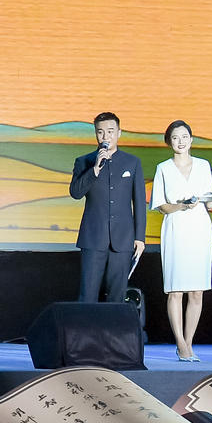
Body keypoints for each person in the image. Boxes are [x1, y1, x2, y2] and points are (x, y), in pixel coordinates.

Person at [150, 119, 212, 361]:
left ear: (191, 139)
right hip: (176, 228)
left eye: (184, 137)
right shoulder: (163, 168)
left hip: (200, 229)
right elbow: (161, 205)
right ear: (169, 141)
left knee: (197, 291)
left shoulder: (203, 165)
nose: (180, 141)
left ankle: (189, 342)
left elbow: (209, 203)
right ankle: (180, 343)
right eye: (175, 137)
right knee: (176, 290)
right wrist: (182, 205)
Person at [69, 111, 144, 303]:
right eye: (100, 132)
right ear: (96, 133)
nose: (105, 136)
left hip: (123, 239)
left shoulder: (132, 162)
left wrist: (139, 237)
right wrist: (95, 169)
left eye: (110, 131)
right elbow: (76, 193)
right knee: (88, 295)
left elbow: (139, 201)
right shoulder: (84, 161)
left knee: (117, 297)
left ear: (119, 133)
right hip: (93, 238)